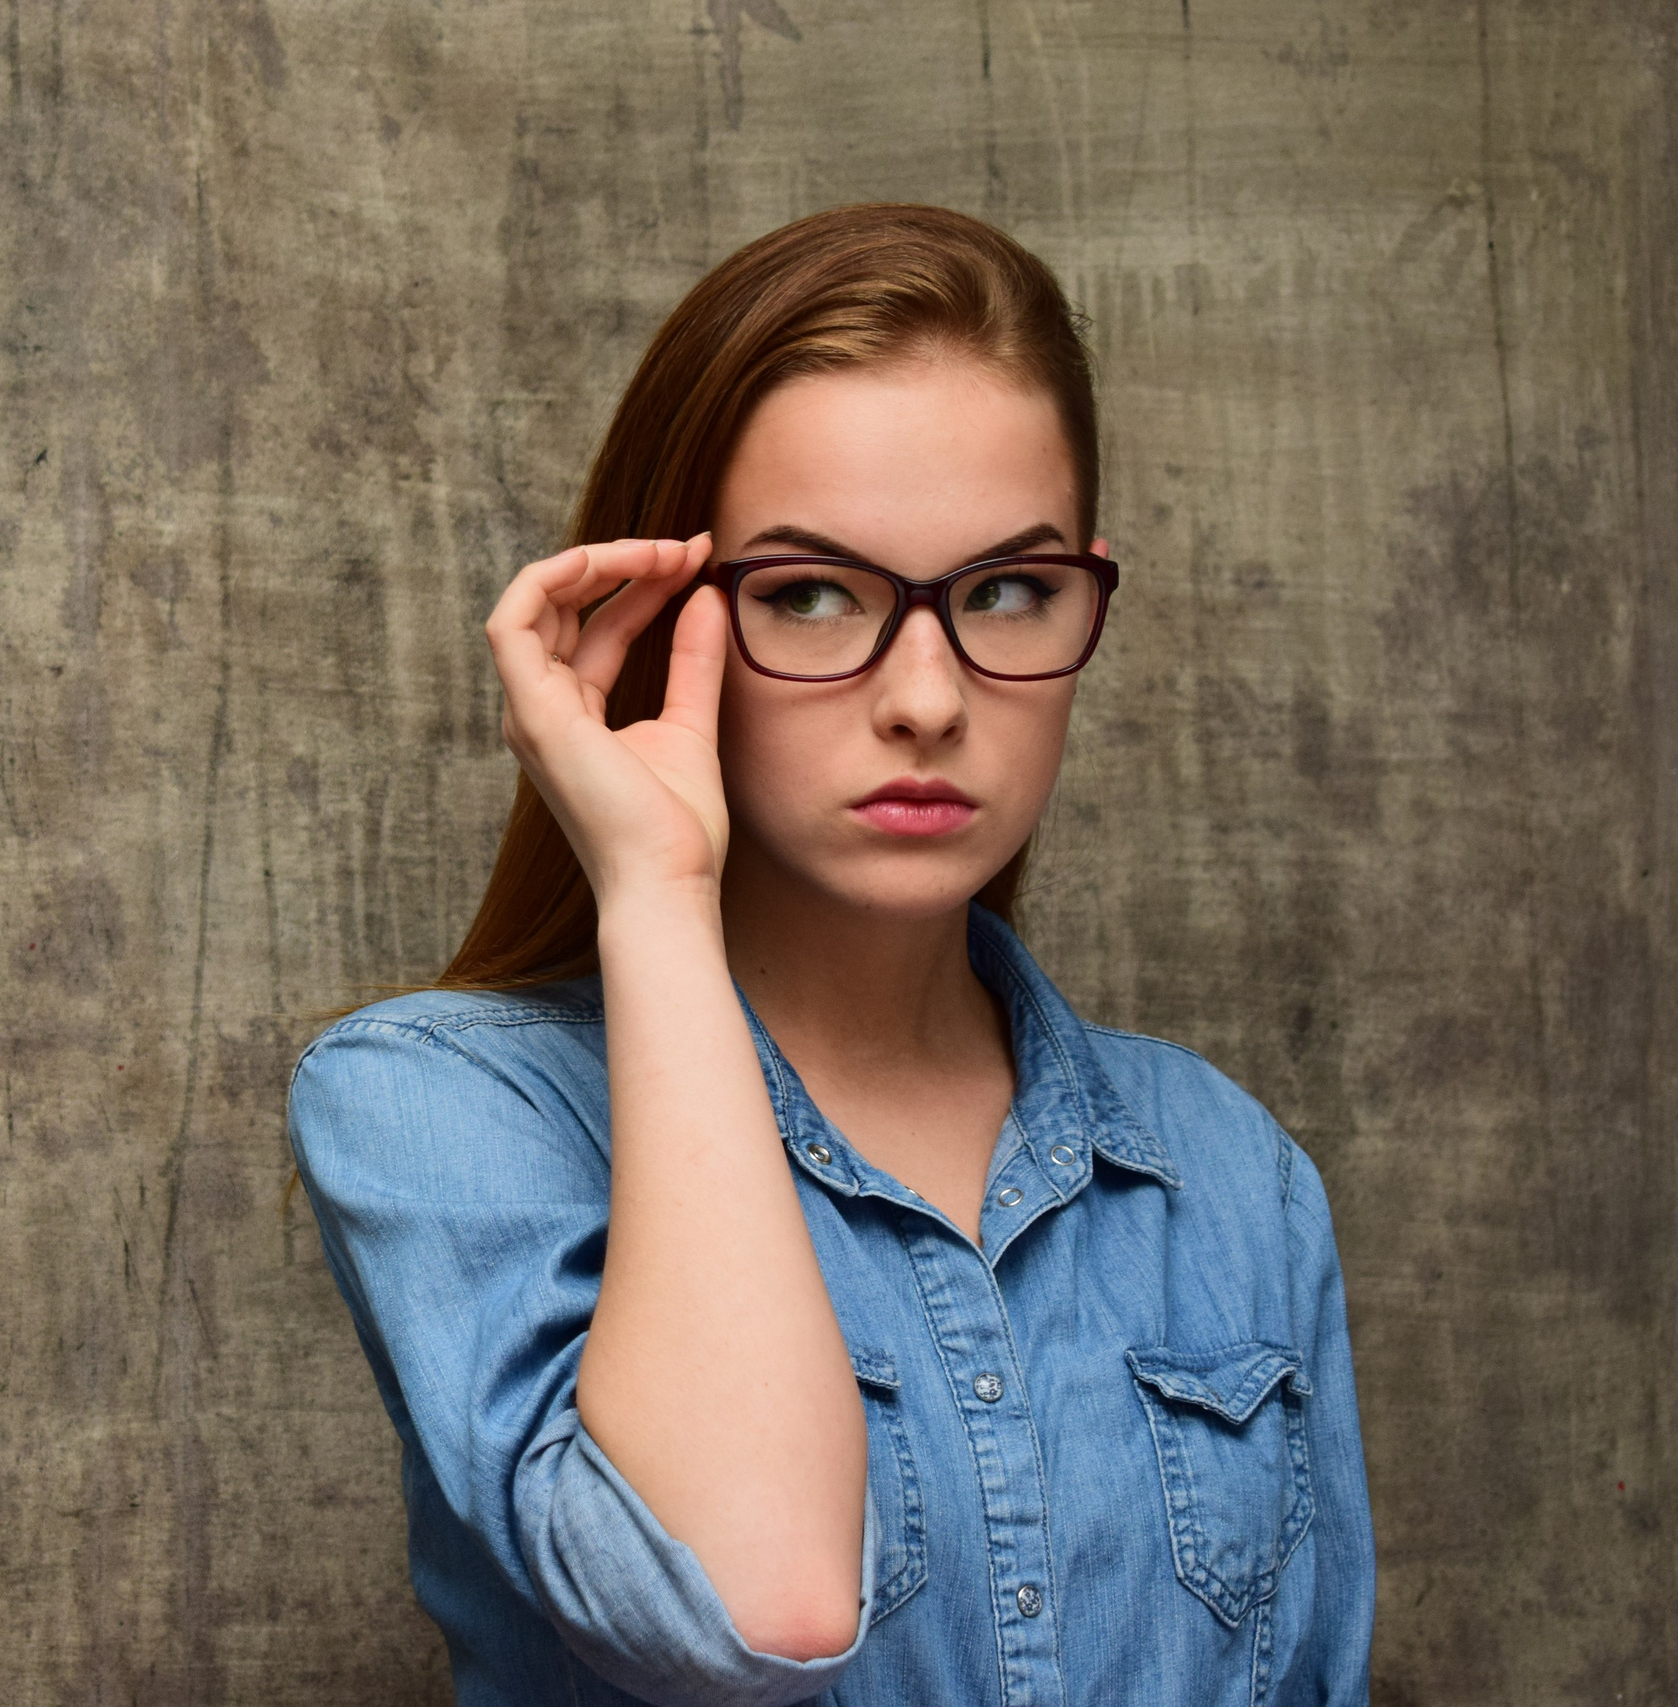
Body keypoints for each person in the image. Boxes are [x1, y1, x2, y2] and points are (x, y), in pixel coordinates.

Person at [287, 204, 1373, 1706]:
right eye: (810, 595)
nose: (926, 696)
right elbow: (755, 1608)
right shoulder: (440, 1109)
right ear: (663, 615)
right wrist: (658, 888)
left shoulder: (1232, 1174)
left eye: (1007, 590)